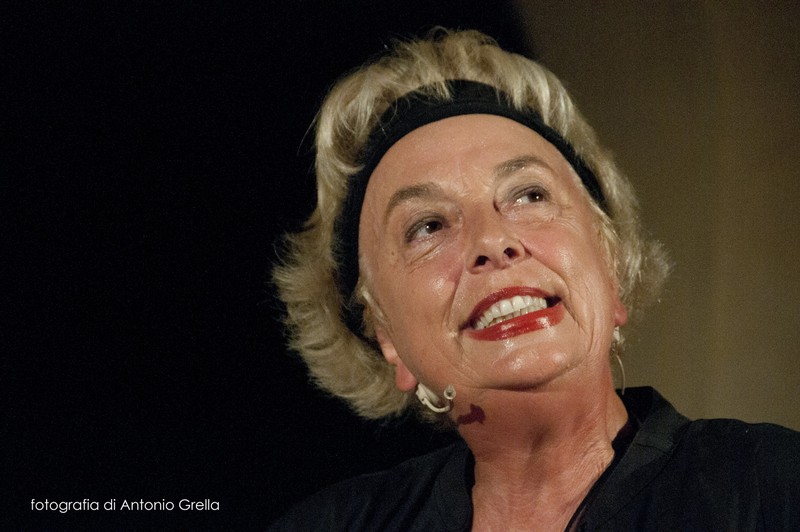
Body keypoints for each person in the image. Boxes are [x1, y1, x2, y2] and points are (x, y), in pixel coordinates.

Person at [270, 29, 800, 530]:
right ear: (385, 334)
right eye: (427, 226)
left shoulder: (772, 488)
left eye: (529, 195)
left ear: (612, 267)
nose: (492, 240)